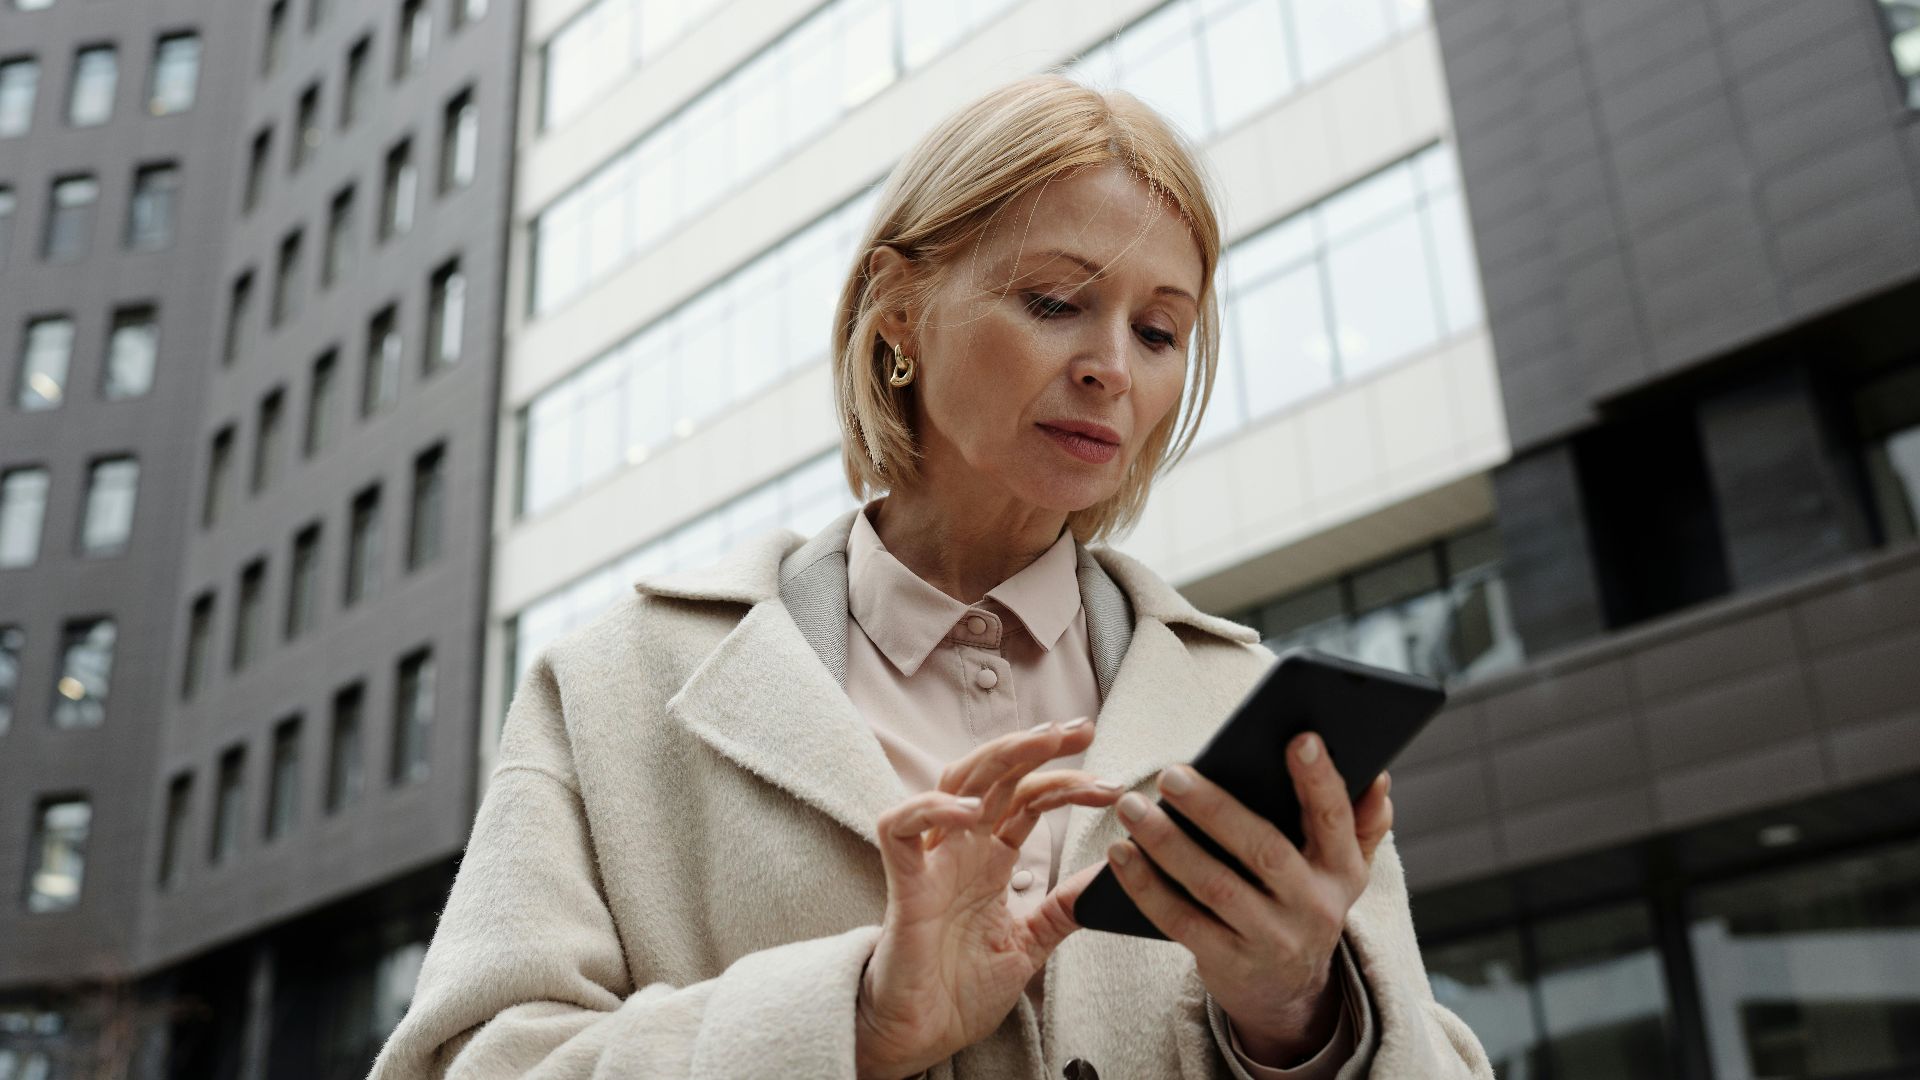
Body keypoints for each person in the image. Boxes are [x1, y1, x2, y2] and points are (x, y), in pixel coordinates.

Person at [367, 74, 1493, 1080]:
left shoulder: (1250, 709)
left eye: (1159, 331)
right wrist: (854, 1022)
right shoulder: (618, 688)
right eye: (1055, 303)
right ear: (898, 312)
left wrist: (1299, 1019)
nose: (1110, 366)